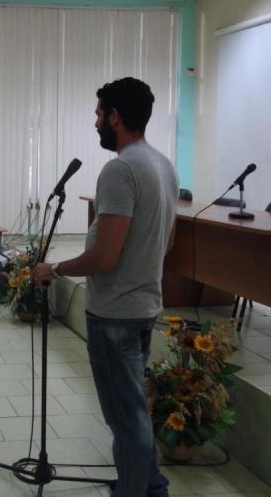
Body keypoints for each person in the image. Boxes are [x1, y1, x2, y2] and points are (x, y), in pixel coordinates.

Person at [35, 77, 177, 497]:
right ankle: (153, 487)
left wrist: (54, 269)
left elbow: (104, 258)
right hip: (144, 306)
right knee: (134, 409)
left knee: (125, 418)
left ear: (115, 116)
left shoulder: (121, 169)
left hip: (115, 314)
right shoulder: (163, 165)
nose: (95, 121)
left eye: (99, 113)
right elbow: (167, 241)